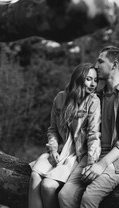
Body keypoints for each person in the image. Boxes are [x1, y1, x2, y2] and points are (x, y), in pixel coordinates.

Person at [58, 46, 119, 208]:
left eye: (100, 61)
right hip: (90, 156)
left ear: (114, 65)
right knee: (65, 195)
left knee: (89, 198)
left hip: (118, 162)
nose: (96, 65)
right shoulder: (94, 97)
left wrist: (101, 164)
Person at [28, 63, 102, 208]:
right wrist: (53, 150)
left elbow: (94, 134)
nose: (93, 84)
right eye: (89, 79)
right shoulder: (60, 98)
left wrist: (91, 162)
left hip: (77, 154)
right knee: (34, 176)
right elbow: (53, 129)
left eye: (95, 80)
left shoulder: (93, 101)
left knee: (48, 186)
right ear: (78, 79)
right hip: (60, 151)